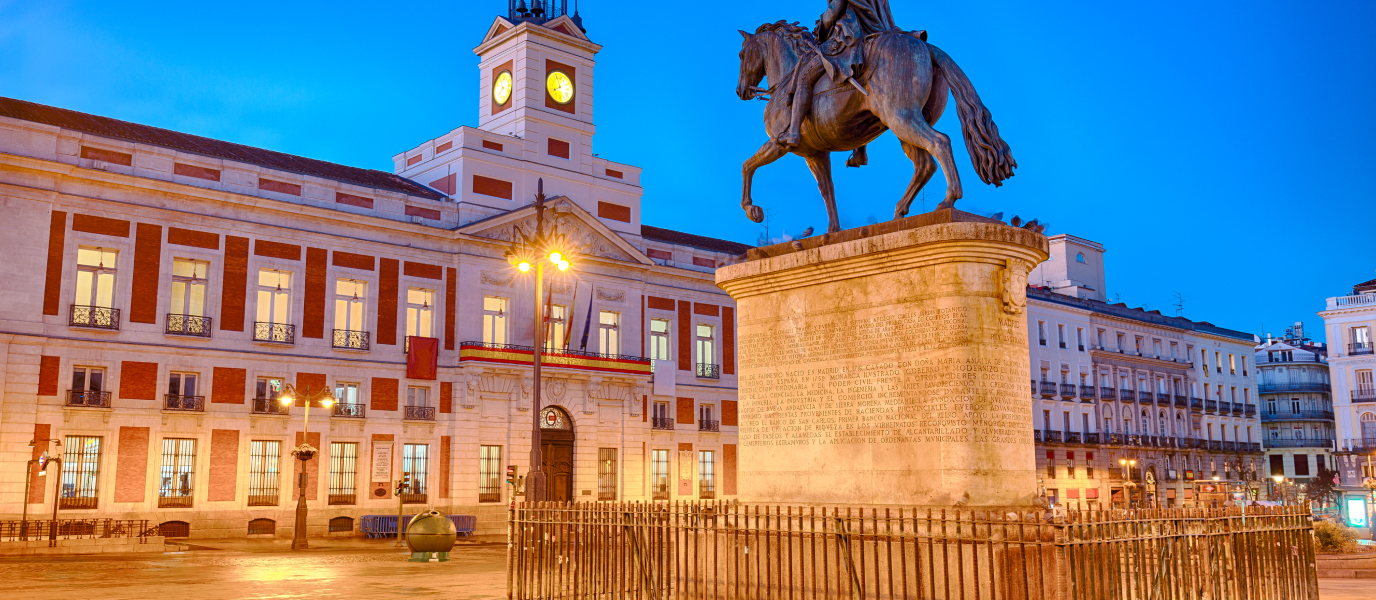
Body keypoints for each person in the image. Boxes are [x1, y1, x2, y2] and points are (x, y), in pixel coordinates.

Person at [777, 0, 899, 149]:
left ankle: (793, 131)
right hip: (879, 32)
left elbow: (835, 9)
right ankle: (860, 150)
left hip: (846, 36)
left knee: (803, 78)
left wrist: (822, 24)